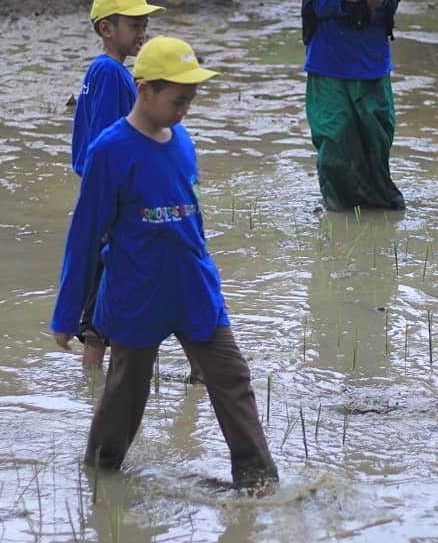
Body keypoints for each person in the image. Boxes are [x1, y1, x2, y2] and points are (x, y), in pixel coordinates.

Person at [50, 36, 279, 488]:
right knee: (124, 396)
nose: (184, 110)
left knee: (233, 378)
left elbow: (192, 221)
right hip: (138, 294)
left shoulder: (183, 141)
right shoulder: (110, 152)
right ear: (145, 90)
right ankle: (101, 476)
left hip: (194, 288)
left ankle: (258, 482)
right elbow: (85, 236)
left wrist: (211, 279)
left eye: (190, 100)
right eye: (177, 99)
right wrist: (66, 314)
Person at [69, 0, 201, 380]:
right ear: (106, 29)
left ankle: (95, 388)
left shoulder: (105, 71)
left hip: (114, 200)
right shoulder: (111, 73)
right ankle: (95, 387)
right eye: (133, 24)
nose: (141, 31)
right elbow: (112, 145)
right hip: (120, 204)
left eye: (144, 23)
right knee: (104, 305)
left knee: (124, 293)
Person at [301, 0, 406, 211]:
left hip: (371, 58)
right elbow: (312, 3)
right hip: (330, 58)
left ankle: (377, 204)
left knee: (376, 137)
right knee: (334, 136)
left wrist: (380, 0)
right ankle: (339, 208)